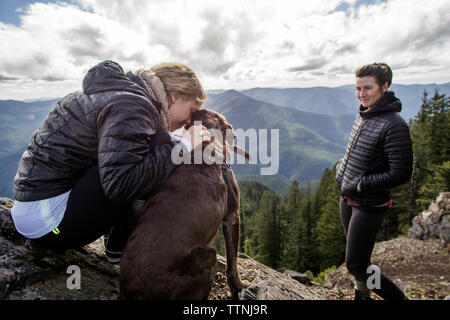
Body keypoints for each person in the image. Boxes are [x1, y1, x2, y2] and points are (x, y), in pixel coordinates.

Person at [10, 60, 212, 263]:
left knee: (158, 145)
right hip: (50, 224)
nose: (189, 121)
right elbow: (122, 185)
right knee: (159, 145)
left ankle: (118, 246)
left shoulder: (118, 95)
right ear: (175, 97)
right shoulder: (134, 106)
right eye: (192, 111)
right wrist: (183, 146)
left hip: (34, 211)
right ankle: (125, 249)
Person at [335, 63, 413, 300]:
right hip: (348, 197)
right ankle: (362, 295)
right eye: (358, 88)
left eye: (367, 88)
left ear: (384, 86)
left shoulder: (394, 124)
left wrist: (361, 183)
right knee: (361, 260)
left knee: (356, 265)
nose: (361, 94)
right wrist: (342, 167)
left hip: (369, 204)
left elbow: (401, 173)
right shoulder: (365, 113)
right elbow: (359, 152)